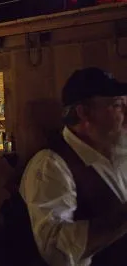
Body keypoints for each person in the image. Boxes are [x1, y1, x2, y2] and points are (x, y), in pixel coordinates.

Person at [20, 67, 127, 265]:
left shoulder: (119, 154)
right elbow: (57, 249)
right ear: (84, 113)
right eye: (118, 105)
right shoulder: (51, 165)